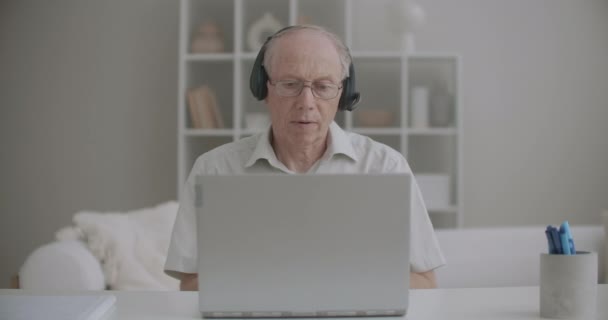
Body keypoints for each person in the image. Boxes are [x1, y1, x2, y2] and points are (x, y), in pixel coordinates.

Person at [164, 25, 445, 291]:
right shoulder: (213, 169)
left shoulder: (386, 167)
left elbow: (425, 281)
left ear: (343, 94)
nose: (306, 102)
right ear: (264, 89)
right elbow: (190, 284)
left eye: (323, 86)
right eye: (289, 84)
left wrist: (336, 283)